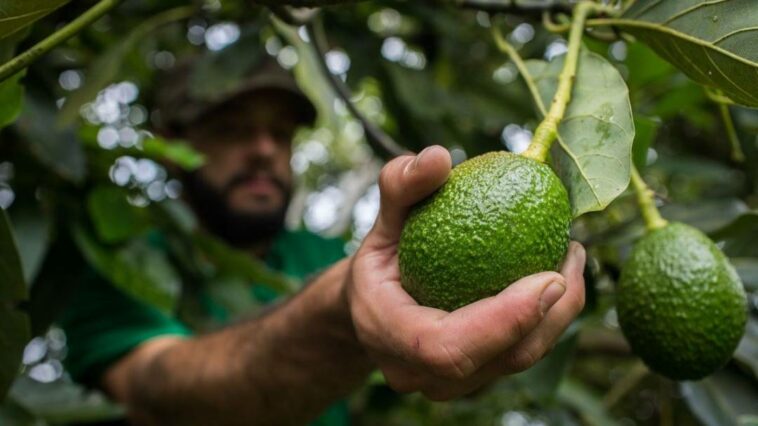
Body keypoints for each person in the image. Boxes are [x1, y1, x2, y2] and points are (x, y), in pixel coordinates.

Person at [58, 54, 586, 426]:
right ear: (173, 148)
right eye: (234, 128)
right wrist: (343, 310)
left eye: (280, 134)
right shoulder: (117, 252)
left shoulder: (320, 253)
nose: (264, 150)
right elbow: (154, 394)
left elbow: (425, 356)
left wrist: (485, 354)